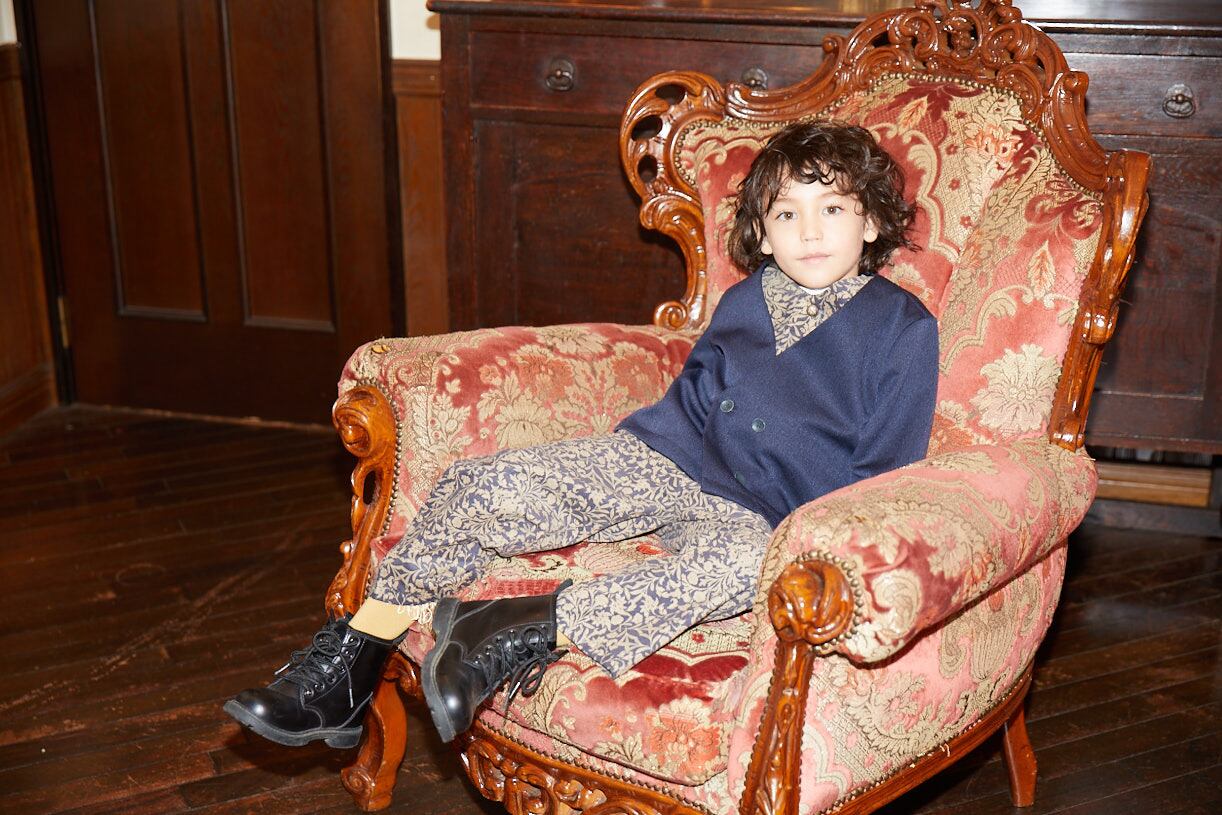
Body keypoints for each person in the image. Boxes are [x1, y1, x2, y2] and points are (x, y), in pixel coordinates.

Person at [223, 120, 939, 749]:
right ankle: (355, 659)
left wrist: (814, 540)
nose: (809, 232)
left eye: (832, 208)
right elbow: (692, 398)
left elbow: (883, 478)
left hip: (763, 515)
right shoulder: (746, 299)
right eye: (787, 213)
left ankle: (516, 624)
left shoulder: (902, 329)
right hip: (667, 459)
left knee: (743, 565)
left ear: (871, 223)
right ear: (762, 232)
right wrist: (621, 464)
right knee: (482, 484)